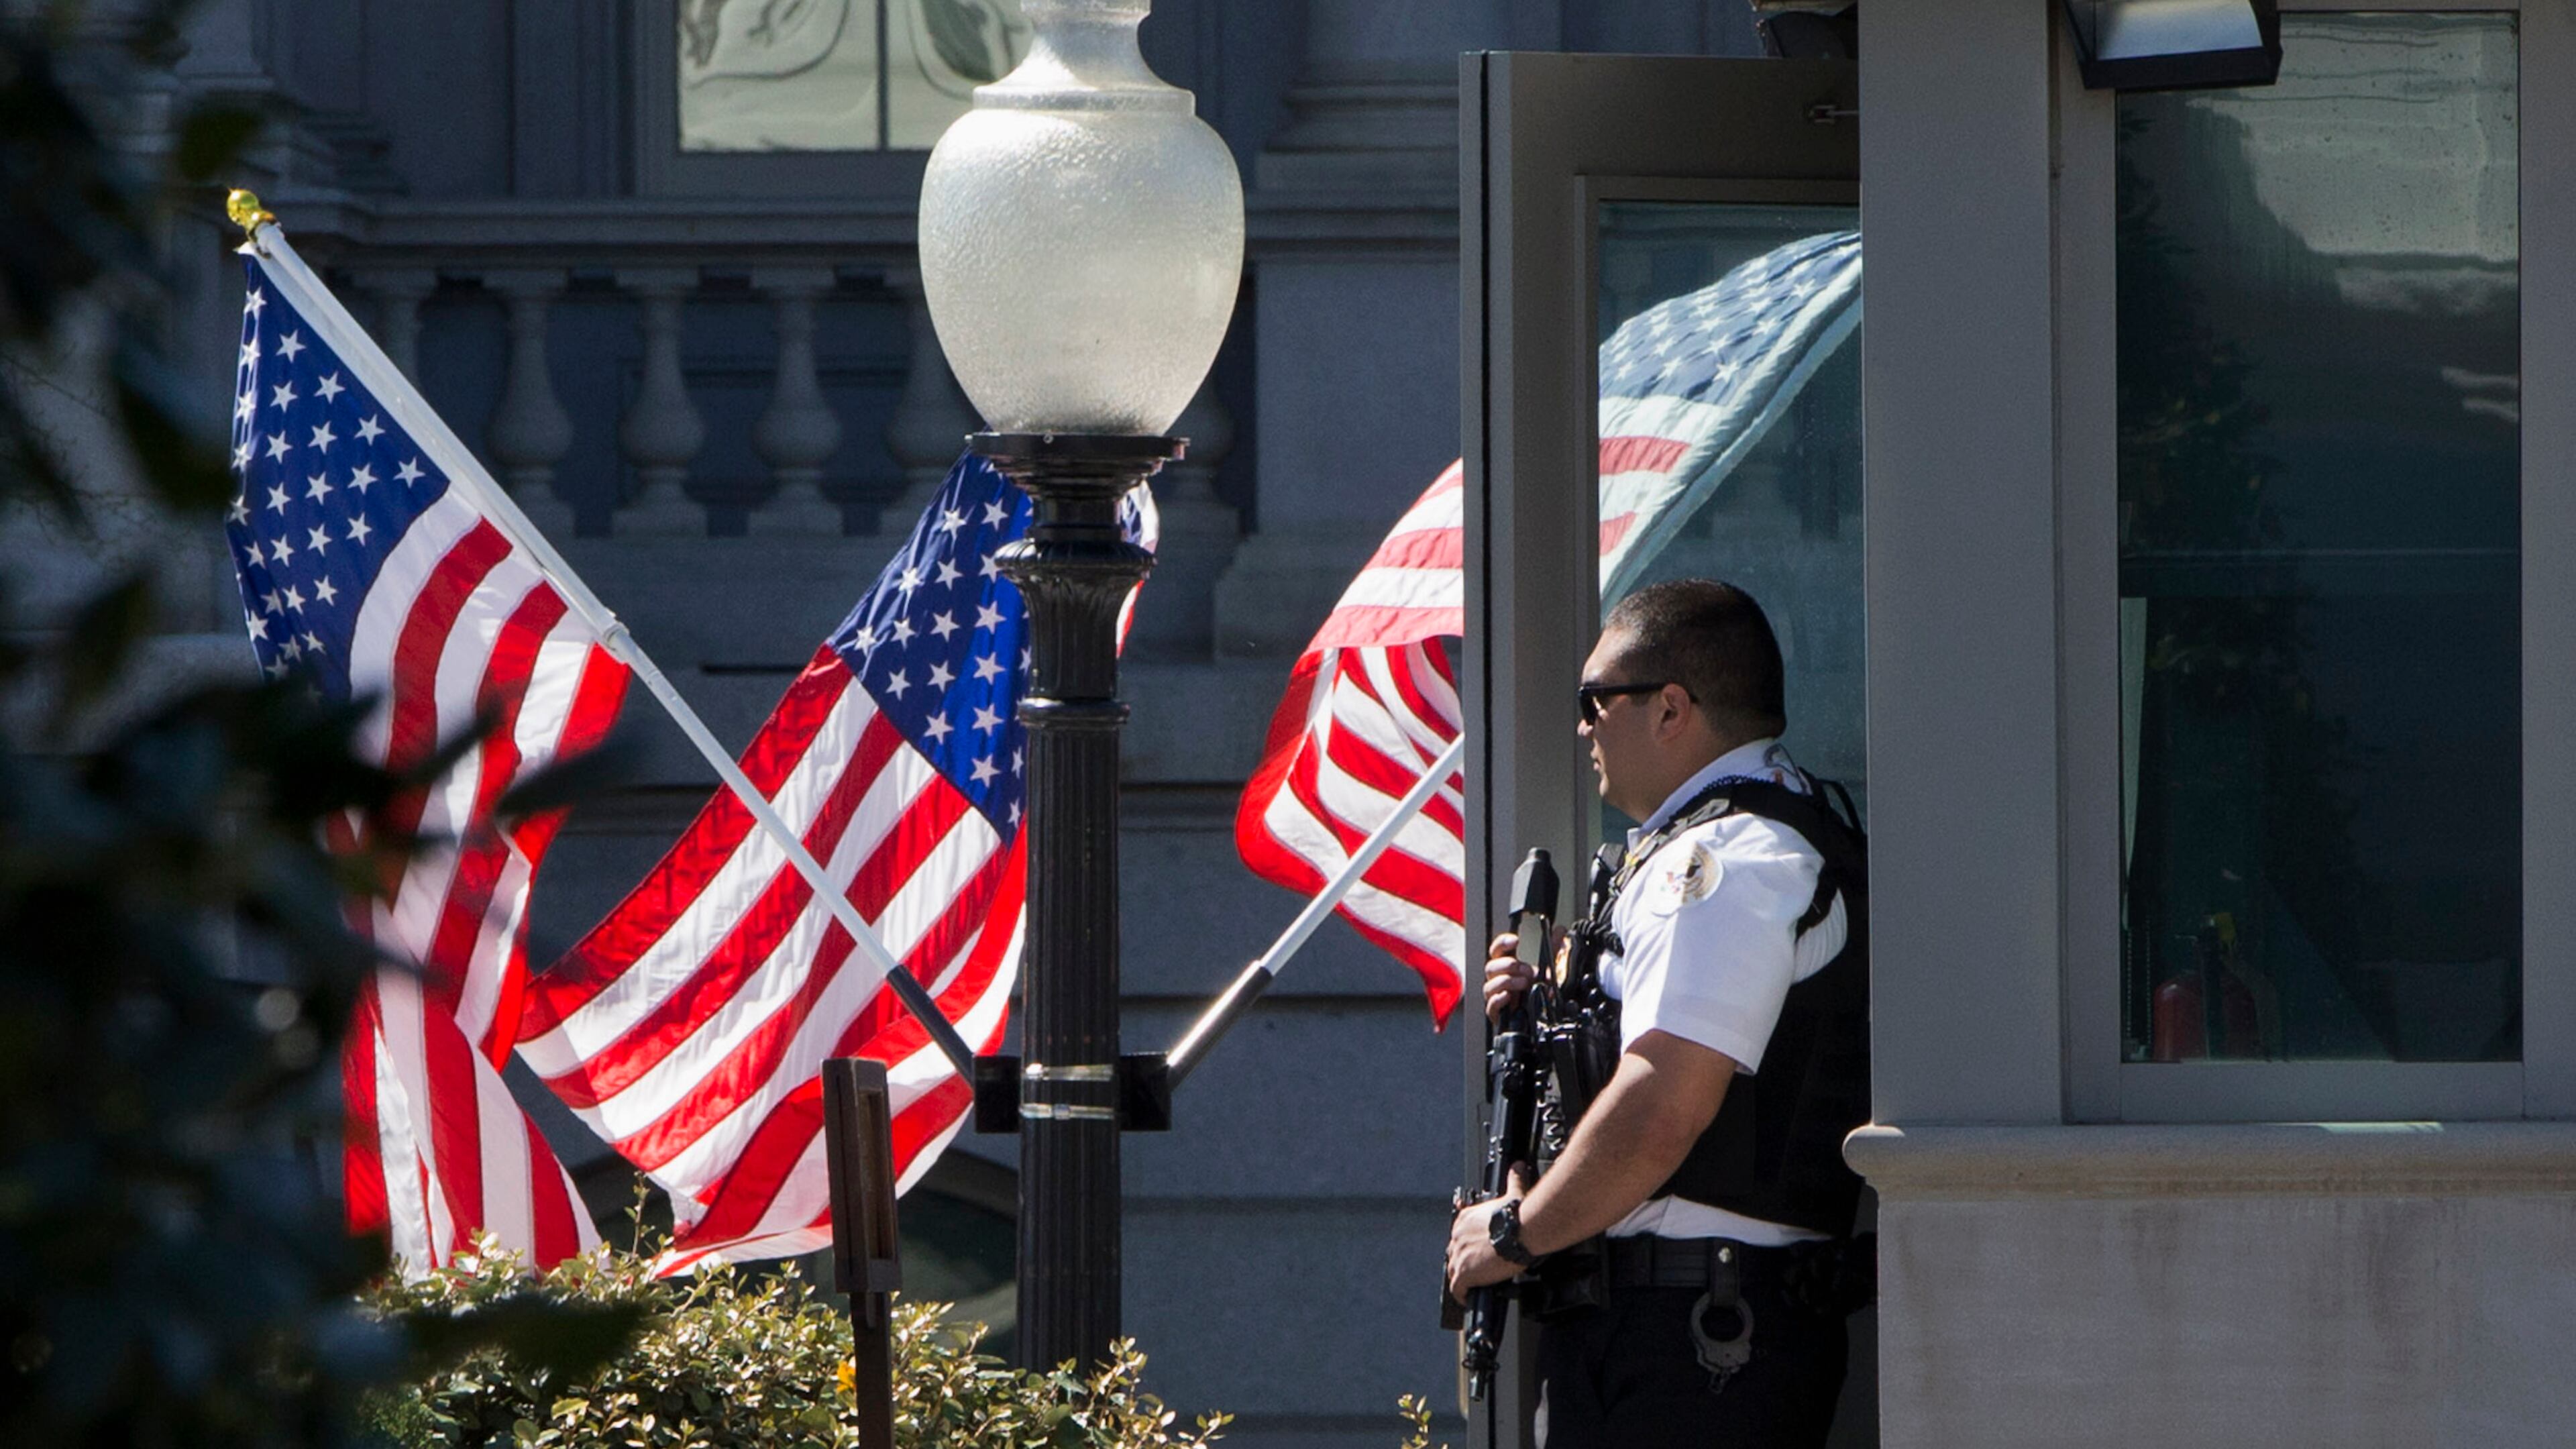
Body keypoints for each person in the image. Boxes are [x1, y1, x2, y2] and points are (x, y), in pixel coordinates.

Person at [1444, 578, 1870, 1449]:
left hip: (1694, 1339)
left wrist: (1515, 1235)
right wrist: (1555, 1012)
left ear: (1672, 708)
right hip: (1676, 1328)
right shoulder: (1718, 848)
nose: (1583, 725)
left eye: (1596, 699)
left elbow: (1664, 1105)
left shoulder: (1720, 863)